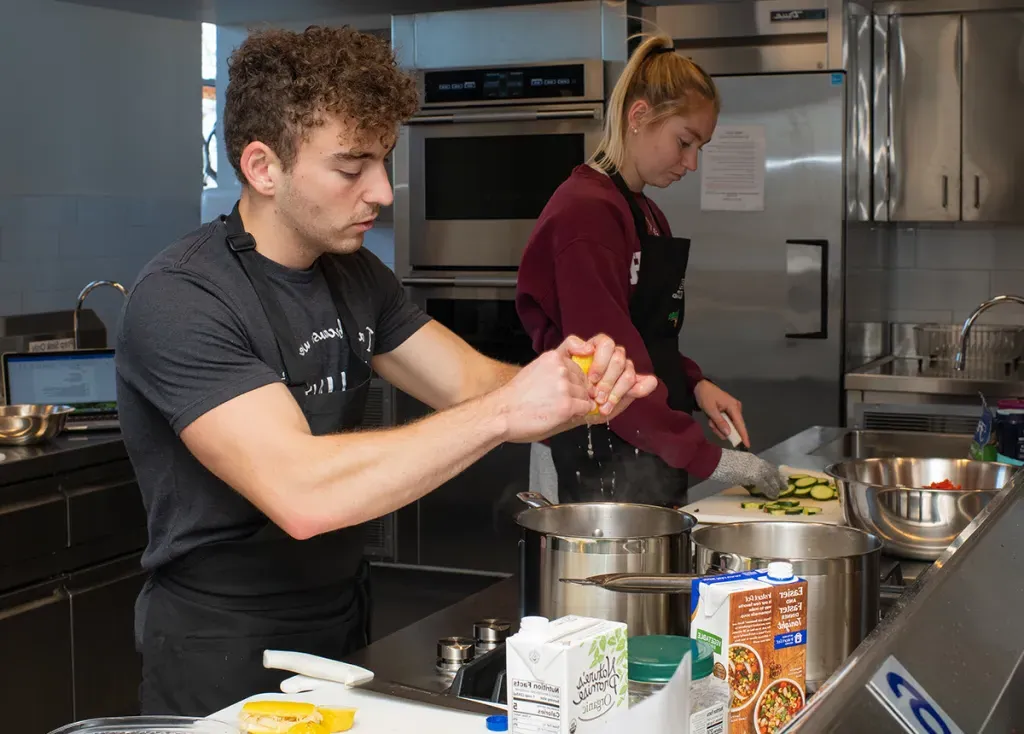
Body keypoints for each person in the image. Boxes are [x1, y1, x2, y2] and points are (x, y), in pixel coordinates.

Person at [115, 26, 657, 717]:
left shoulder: (352, 272)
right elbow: (302, 493)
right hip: (219, 639)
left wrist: (576, 385)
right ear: (263, 167)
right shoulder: (184, 298)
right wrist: (506, 414)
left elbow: (469, 383)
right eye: (351, 167)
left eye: (385, 160)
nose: (382, 192)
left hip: (341, 613)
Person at [516, 34, 787, 508]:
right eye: (685, 142)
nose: (692, 163)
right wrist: (714, 460)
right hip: (590, 447)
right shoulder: (585, 214)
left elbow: (642, 334)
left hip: (643, 441)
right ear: (639, 117)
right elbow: (606, 366)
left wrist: (694, 383)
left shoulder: (643, 211)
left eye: (700, 147)